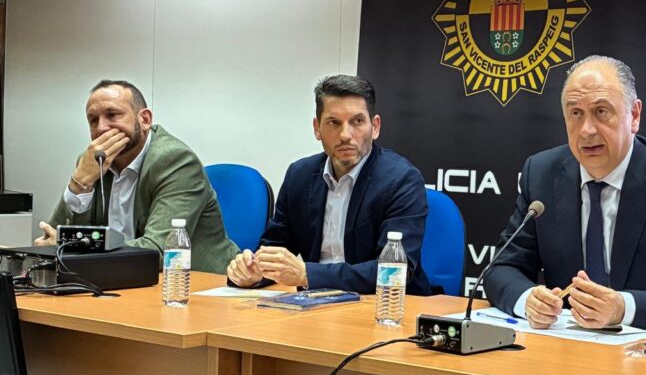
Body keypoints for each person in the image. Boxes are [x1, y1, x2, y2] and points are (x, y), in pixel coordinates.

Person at [485, 55, 646, 330]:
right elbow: (501, 269)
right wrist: (528, 300)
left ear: (634, 115)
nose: (587, 130)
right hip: (567, 343)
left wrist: (622, 308)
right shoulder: (541, 173)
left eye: (601, 111)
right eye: (576, 113)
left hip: (644, 347)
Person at [226, 74, 431, 294]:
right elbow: (274, 248)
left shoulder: (401, 180)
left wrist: (307, 274)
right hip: (314, 303)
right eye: (334, 123)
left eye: (357, 121)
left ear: (375, 127)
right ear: (317, 128)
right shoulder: (300, 175)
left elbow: (394, 270)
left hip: (386, 305)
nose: (345, 135)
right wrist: (253, 271)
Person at [35, 80, 239, 272]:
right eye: (93, 120)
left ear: (145, 119)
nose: (101, 128)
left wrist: (74, 249)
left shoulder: (176, 160)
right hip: (122, 277)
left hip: (196, 283)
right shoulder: (92, 161)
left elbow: (157, 251)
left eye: (112, 115)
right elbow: (50, 238)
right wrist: (79, 183)